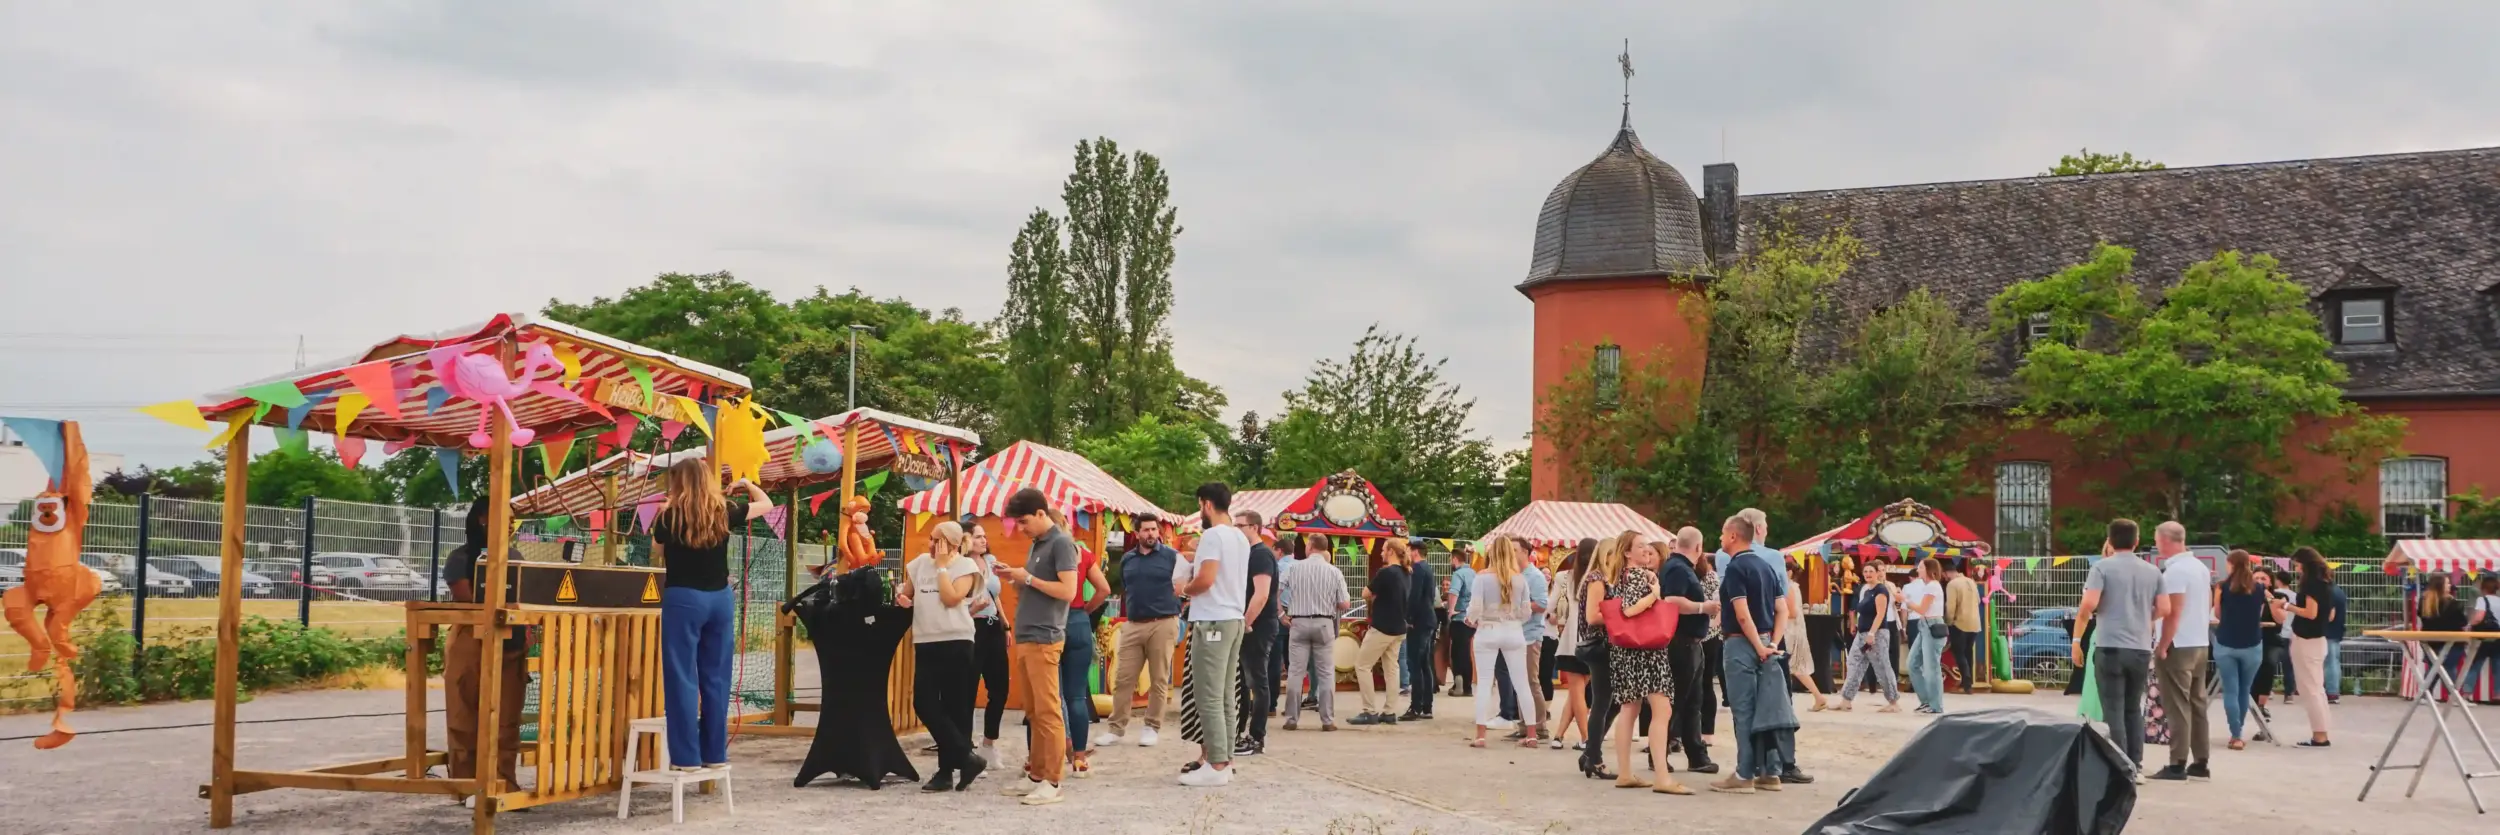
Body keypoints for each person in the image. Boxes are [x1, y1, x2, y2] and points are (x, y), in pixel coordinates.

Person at [651, 459, 773, 773]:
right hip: (720, 599)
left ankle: (687, 757)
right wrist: (745, 484)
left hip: (684, 598)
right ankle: (715, 753)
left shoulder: (667, 515)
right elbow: (766, 503)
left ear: (679, 482)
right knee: (716, 678)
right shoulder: (724, 510)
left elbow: (658, 549)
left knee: (682, 677)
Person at [993, 488, 1080, 806]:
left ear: (1041, 514)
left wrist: (1027, 579)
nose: (1021, 528)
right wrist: (1015, 578)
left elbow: (1068, 590)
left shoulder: (1062, 543)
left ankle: (1053, 780)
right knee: (1033, 713)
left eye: (1024, 521)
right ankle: (1037, 774)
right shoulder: (1038, 544)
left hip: (1045, 637)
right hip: (1028, 635)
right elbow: (1037, 587)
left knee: (1048, 713)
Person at [1604, 535, 1708, 794]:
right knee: (1662, 710)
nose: (1646, 550)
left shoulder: (1621, 576)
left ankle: (1626, 772)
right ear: (1628, 553)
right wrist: (1655, 595)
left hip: (1626, 651)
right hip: (1647, 652)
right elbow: (1629, 609)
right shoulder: (1638, 575)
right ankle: (1662, 776)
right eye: (1640, 547)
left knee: (1629, 708)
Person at [1711, 514, 1807, 795]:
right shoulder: (1767, 567)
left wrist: (1757, 644)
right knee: (1768, 708)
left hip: (1742, 644)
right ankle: (1770, 772)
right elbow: (1783, 610)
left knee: (1744, 710)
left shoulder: (1736, 569)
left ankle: (1744, 773)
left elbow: (1742, 615)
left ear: (1733, 536)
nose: (1719, 539)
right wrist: (1772, 643)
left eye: (1722, 534)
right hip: (1767, 642)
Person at [441, 494, 528, 793]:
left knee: (507, 719)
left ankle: (503, 783)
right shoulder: (461, 558)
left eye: (513, 520)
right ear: (482, 518)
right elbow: (468, 600)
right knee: (464, 715)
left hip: (512, 645)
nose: (510, 525)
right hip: (471, 641)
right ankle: (466, 786)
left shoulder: (516, 557)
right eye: (505, 517)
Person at [2075, 519, 2165, 781]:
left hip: (2109, 644)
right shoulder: (2152, 571)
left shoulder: (2101, 568)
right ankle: (2136, 765)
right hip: (2139, 647)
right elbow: (2166, 608)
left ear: (2110, 542)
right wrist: (2143, 619)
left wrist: (2077, 640)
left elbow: (2088, 606)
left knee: (2112, 706)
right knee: (2133, 708)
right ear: (2137, 541)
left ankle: (2118, 764)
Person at [900, 521, 986, 791]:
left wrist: (941, 567)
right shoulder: (917, 564)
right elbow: (907, 593)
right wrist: (902, 598)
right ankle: (966, 757)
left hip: (956, 639)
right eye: (930, 538)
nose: (930, 544)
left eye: (937, 540)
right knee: (924, 703)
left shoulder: (966, 567)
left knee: (955, 707)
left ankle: (946, 772)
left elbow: (951, 598)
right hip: (926, 639)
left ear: (952, 543)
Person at [1176, 483, 1252, 786]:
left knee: (1208, 694)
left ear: (1206, 504)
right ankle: (1226, 759)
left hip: (1212, 619)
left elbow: (1205, 579)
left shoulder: (1211, 535)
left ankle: (1217, 765)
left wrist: (1183, 589)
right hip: (1233, 618)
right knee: (1224, 695)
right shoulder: (1240, 537)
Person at [1100, 515, 1180, 748]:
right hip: (1134, 623)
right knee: (1123, 678)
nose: (1151, 534)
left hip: (1163, 621)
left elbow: (1184, 584)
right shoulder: (1128, 559)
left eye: (1154, 529)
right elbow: (1126, 586)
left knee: (1158, 678)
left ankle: (1151, 726)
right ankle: (1116, 728)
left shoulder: (1171, 556)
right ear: (1137, 534)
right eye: (1146, 530)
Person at [2147, 521, 2213, 781]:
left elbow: (2173, 612)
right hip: (2199, 642)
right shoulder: (2199, 567)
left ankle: (2177, 762)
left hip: (2179, 644)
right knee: (2198, 703)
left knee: (2177, 705)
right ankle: (2201, 760)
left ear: (2165, 540)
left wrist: (2163, 644)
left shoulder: (2174, 572)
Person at [1466, 537, 1544, 749]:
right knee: (1522, 683)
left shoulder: (1481, 578)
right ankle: (1531, 733)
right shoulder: (1519, 579)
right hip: (1513, 631)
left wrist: (1471, 619)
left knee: (1484, 682)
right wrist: (1513, 619)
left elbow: (1474, 607)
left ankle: (1481, 735)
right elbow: (1526, 611)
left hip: (1487, 630)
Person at [1656, 529, 1717, 773]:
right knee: (1676, 700)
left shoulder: (1678, 567)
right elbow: (1671, 601)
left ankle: (1696, 754)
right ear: (1699, 547)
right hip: (1680, 642)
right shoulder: (1678, 569)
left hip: (1691, 641)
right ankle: (1659, 753)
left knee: (1693, 701)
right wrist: (1704, 607)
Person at [1281, 532, 1352, 731]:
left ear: (1310, 546)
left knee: (1296, 671)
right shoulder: (1334, 572)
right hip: (1324, 623)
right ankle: (1327, 720)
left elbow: (1276, 590)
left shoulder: (1294, 569)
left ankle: (1292, 719)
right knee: (1326, 672)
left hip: (1299, 622)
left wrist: (1281, 614)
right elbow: (1345, 603)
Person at [1059, 530, 1111, 778]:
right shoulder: (1084, 554)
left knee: (1046, 695)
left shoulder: (1046, 552)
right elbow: (1104, 589)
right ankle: (1079, 758)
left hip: (1053, 621)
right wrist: (1085, 612)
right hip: (1079, 621)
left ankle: (1039, 758)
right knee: (1077, 696)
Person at [1577, 536, 1624, 779]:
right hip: (1599, 646)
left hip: (1606, 646)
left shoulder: (1603, 578)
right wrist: (1621, 616)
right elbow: (1593, 616)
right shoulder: (1597, 579)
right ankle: (1594, 758)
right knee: (1603, 702)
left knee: (1612, 701)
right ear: (1608, 555)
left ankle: (1590, 752)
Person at [1352, 537, 1413, 725]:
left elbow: (1365, 593)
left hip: (1382, 627)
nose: (1380, 553)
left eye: (1384, 550)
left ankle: (1368, 710)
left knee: (1362, 665)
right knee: (1391, 669)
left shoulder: (1385, 572)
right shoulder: (1407, 573)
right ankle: (1389, 711)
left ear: (1391, 552)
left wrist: (1373, 600)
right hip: (1399, 627)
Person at [2211, 549, 2268, 751]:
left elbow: (2217, 612)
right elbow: (2259, 614)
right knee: (2245, 690)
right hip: (2252, 644)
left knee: (2230, 690)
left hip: (2226, 642)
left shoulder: (2222, 587)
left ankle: (2235, 734)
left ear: (2231, 564)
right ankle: (2239, 730)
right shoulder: (2259, 588)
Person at [1236, 511, 1280, 757]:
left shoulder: (1261, 555)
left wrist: (1246, 622)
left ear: (1254, 527)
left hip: (1259, 625)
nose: (1236, 529)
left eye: (1240, 525)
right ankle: (1241, 732)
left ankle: (1256, 737)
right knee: (1243, 681)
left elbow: (1261, 594)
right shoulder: (1250, 554)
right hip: (1252, 624)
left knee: (1257, 681)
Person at [966, 527, 1011, 761]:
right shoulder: (959, 565)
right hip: (971, 625)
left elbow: (996, 596)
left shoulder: (990, 561)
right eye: (977, 536)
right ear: (965, 540)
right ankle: (966, 747)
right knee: (968, 688)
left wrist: (1005, 625)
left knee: (1000, 687)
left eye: (984, 535)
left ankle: (989, 744)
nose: (984, 540)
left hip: (993, 625)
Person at [2285, 547, 2337, 748]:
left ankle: (2319, 735)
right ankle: (2322, 731)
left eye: (2297, 564)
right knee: (2317, 688)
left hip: (2306, 639)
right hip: (2320, 639)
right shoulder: (2327, 584)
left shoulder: (2311, 585)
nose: (2296, 569)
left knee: (2310, 689)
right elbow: (2329, 615)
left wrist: (2287, 606)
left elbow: (2310, 612)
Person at [1835, 560, 1901, 713]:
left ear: (1878, 573)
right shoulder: (1865, 590)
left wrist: (1871, 633)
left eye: (1871, 571)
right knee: (1854, 663)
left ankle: (1893, 702)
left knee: (1882, 666)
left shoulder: (1881, 590)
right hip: (1861, 633)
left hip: (1876, 633)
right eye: (1865, 571)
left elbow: (1880, 614)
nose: (1868, 574)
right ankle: (1846, 700)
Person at [1549, 540, 1594, 750]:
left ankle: (1562, 736)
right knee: (1578, 692)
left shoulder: (1563, 578)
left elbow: (1551, 607)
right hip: (1594, 640)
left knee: (1576, 692)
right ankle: (1585, 738)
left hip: (1570, 640)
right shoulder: (1599, 579)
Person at [1401, 535, 1441, 723]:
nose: (1407, 553)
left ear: (1415, 552)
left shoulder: (1417, 569)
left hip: (1418, 621)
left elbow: (1414, 596)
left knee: (1414, 664)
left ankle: (1415, 706)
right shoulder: (1428, 568)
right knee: (1425, 664)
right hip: (1428, 619)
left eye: (1409, 550)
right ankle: (1427, 705)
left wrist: (1408, 618)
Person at [1902, 558, 1946, 714]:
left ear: (1928, 569)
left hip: (1932, 625)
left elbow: (1922, 608)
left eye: (1920, 567)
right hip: (1924, 626)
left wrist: (1905, 601)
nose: (1918, 569)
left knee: (1931, 668)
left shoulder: (1933, 586)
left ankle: (1935, 705)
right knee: (1912, 663)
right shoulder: (1928, 586)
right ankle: (1926, 700)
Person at [1784, 561, 1829, 712]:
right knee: (1797, 668)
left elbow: (1792, 613)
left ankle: (1818, 697)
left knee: (1795, 667)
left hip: (1791, 631)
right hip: (1793, 630)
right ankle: (1818, 697)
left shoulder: (1789, 587)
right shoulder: (1792, 587)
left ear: (1789, 572)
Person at [1446, 544, 1481, 698]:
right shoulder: (1474, 573)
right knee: (1466, 651)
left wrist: (1451, 610)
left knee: (1457, 652)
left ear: (1455, 559)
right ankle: (1468, 686)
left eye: (1450, 560)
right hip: (1472, 619)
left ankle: (1458, 683)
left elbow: (1454, 592)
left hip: (1459, 618)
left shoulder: (1458, 574)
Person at [1945, 560, 1983, 695]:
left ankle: (1966, 684)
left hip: (1960, 623)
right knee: (1968, 653)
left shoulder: (1952, 584)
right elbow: (1978, 600)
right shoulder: (1971, 581)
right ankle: (1968, 683)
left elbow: (1951, 606)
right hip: (1975, 624)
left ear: (1948, 573)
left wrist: (1948, 621)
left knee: (1959, 653)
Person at [2462, 574, 2500, 704]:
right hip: (2498, 638)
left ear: (2484, 588)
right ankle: (2497, 695)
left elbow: (2479, 617)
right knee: (2498, 668)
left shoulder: (2482, 600)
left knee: (2475, 665)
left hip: (2484, 638)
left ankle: (2466, 693)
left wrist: (2469, 624)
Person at [2323, 580, 2350, 705]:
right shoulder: (2338, 590)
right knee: (2334, 661)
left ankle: (2331, 692)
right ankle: (2334, 691)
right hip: (2336, 631)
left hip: (2328, 631)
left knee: (2330, 662)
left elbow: (2330, 615)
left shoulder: (2328, 592)